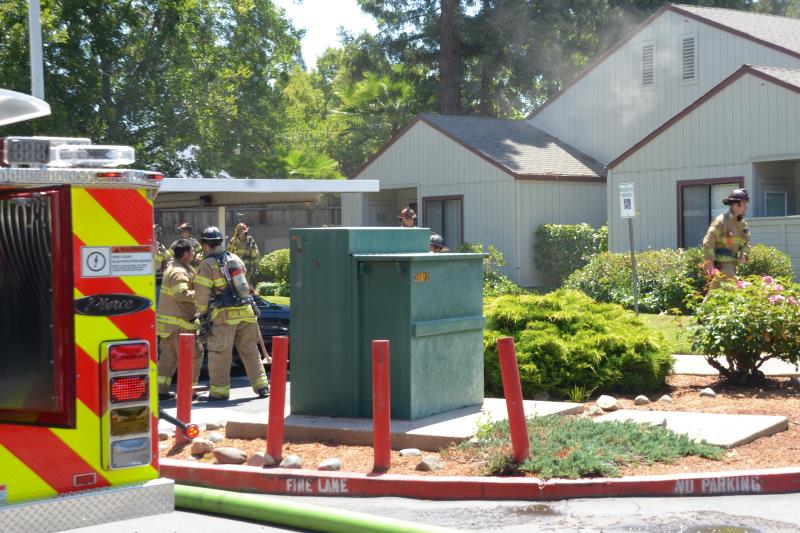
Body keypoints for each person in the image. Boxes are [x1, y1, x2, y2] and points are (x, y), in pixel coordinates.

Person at [194, 226, 269, 401]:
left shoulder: (207, 264)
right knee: (250, 350)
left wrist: (202, 313)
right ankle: (262, 386)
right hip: (247, 312)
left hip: (224, 316)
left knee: (220, 353)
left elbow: (202, 294)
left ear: (206, 245)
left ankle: (219, 392)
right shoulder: (235, 258)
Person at [155, 239, 204, 401]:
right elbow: (181, 294)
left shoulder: (178, 267)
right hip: (181, 325)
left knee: (168, 358)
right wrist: (203, 295)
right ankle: (190, 391)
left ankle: (160, 390)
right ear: (185, 254)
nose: (194, 253)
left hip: (170, 326)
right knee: (194, 356)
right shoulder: (179, 272)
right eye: (192, 251)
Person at [702, 188, 751, 287]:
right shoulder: (721, 221)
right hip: (720, 266)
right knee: (723, 292)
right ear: (736, 205)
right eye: (744, 203)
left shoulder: (742, 224)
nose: (746, 207)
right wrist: (710, 260)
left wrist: (744, 254)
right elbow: (708, 240)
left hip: (733, 266)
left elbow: (746, 242)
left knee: (723, 294)